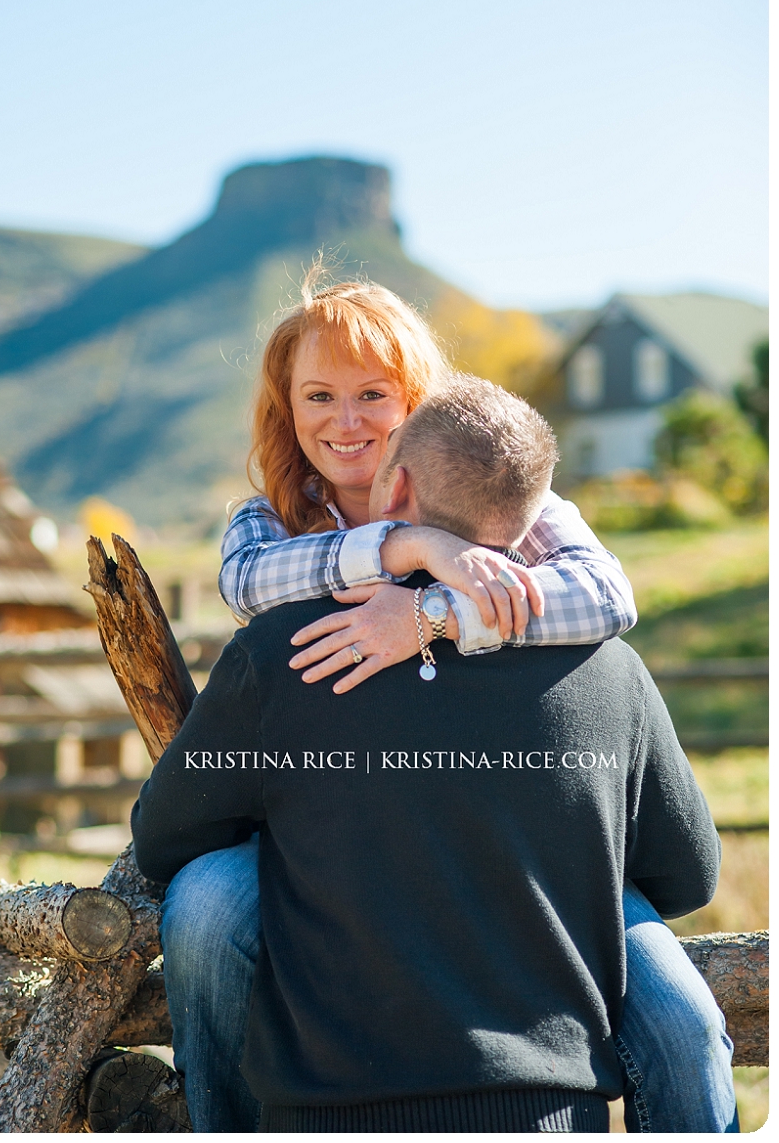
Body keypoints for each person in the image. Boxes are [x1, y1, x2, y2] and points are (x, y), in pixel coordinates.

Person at [158, 276, 737, 1132]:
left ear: (417, 402)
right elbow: (246, 585)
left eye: (372, 396)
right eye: (318, 396)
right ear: (287, 408)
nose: (345, 421)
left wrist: (431, 614)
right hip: (330, 833)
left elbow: (606, 597)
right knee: (209, 905)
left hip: (527, 845)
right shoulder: (274, 519)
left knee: (686, 1024)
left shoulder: (517, 500)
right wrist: (410, 544)